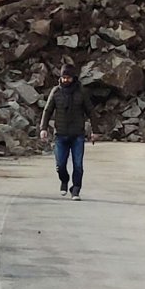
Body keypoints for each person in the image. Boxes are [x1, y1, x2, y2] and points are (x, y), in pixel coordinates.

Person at [39, 64, 99, 201]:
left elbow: (91, 112)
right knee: (60, 165)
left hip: (77, 135)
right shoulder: (56, 92)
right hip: (60, 134)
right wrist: (43, 128)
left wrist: (95, 131)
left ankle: (76, 189)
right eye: (64, 77)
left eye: (68, 78)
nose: (66, 80)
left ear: (74, 78)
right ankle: (64, 181)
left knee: (78, 165)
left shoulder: (81, 92)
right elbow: (47, 111)